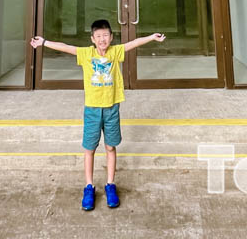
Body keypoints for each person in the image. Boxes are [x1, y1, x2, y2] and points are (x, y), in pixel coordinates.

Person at [30, 20, 166, 211]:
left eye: (106, 36)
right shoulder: (87, 54)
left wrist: (152, 37)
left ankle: (110, 185)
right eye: (99, 36)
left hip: (112, 109)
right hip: (92, 110)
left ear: (111, 37)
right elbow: (66, 47)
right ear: (92, 39)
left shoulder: (115, 52)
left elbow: (133, 44)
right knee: (90, 149)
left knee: (110, 147)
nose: (103, 39)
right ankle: (89, 187)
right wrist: (44, 42)